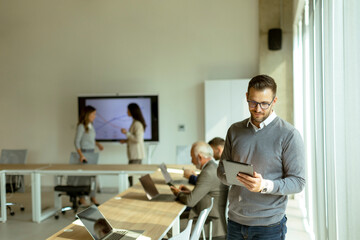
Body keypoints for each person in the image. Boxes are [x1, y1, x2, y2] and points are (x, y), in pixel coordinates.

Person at [217, 74, 305, 240]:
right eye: (253, 102)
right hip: (235, 222)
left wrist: (263, 185)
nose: (258, 109)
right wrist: (232, 176)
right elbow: (221, 170)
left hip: (269, 226)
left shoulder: (289, 134)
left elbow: (298, 182)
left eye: (265, 104)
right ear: (246, 97)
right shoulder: (234, 130)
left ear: (274, 101)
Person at [170, 141, 228, 239]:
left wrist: (178, 193)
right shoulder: (213, 167)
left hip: (210, 225)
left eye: (192, 157)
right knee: (173, 220)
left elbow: (190, 201)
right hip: (211, 220)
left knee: (169, 229)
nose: (191, 161)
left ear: (200, 157)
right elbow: (207, 194)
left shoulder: (208, 172)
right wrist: (189, 192)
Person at [74, 105, 104, 206]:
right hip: (85, 153)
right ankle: (82, 199)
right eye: (93, 114)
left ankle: (93, 197)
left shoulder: (90, 125)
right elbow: (76, 142)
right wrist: (81, 155)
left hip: (92, 152)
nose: (95, 116)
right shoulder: (81, 126)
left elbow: (90, 138)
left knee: (93, 176)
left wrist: (97, 144)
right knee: (84, 178)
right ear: (88, 114)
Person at [120, 103, 146, 186]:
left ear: (132, 111)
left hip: (136, 155)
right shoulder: (134, 122)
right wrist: (126, 141)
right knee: (132, 177)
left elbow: (138, 139)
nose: (127, 112)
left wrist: (126, 133)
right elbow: (134, 138)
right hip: (134, 155)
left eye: (128, 110)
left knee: (133, 178)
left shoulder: (137, 124)